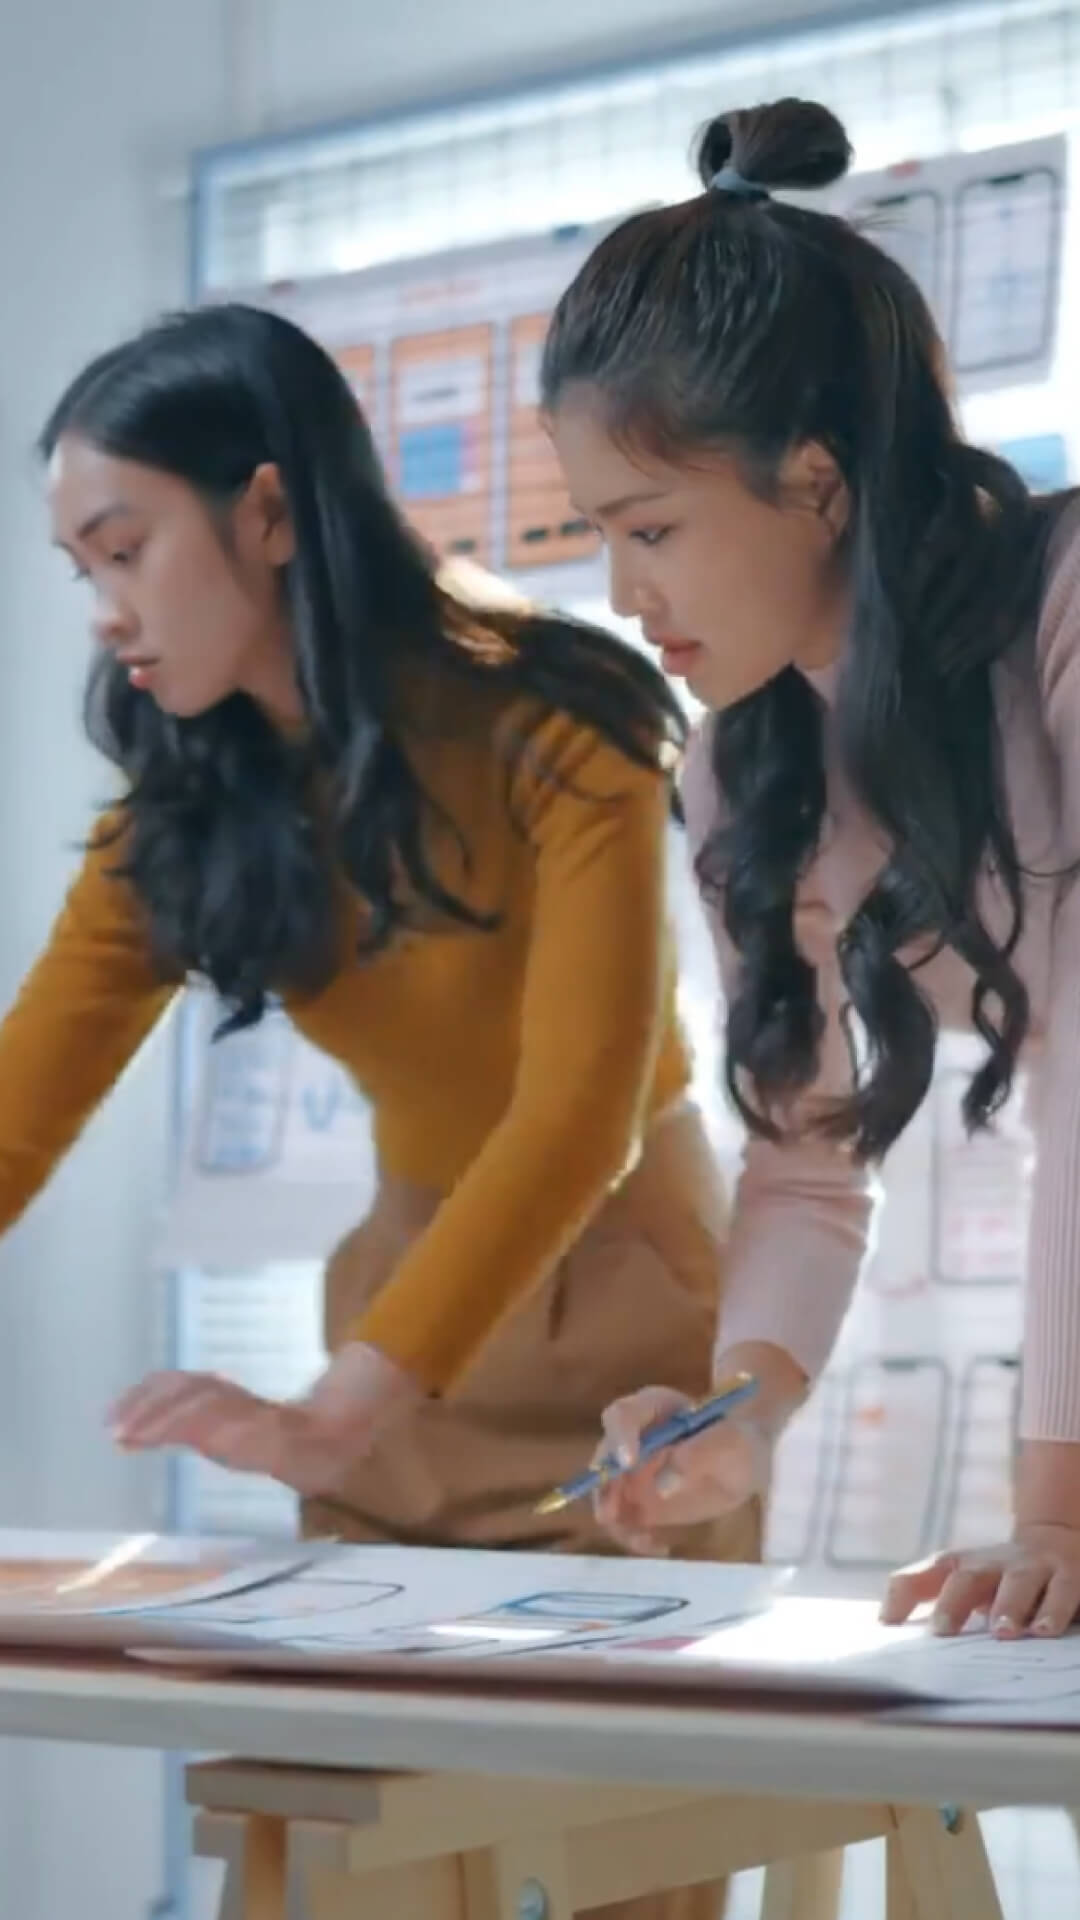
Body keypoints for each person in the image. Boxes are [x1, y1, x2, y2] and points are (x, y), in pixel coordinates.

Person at [13, 298, 753, 1917]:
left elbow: (577, 1117)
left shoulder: (563, 714)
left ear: (269, 512)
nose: (105, 610)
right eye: (83, 570)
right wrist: (347, 1419)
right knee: (335, 1863)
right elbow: (16, 1113)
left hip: (626, 1339)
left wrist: (333, 1412)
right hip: (399, 1329)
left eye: (126, 549)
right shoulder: (195, 795)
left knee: (620, 1861)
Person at [542, 94, 1080, 1642]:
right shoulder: (738, 768)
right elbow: (804, 1161)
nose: (624, 592)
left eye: (652, 529)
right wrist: (742, 1409)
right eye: (598, 535)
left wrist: (1057, 1510)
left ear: (818, 481)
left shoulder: (1060, 606)